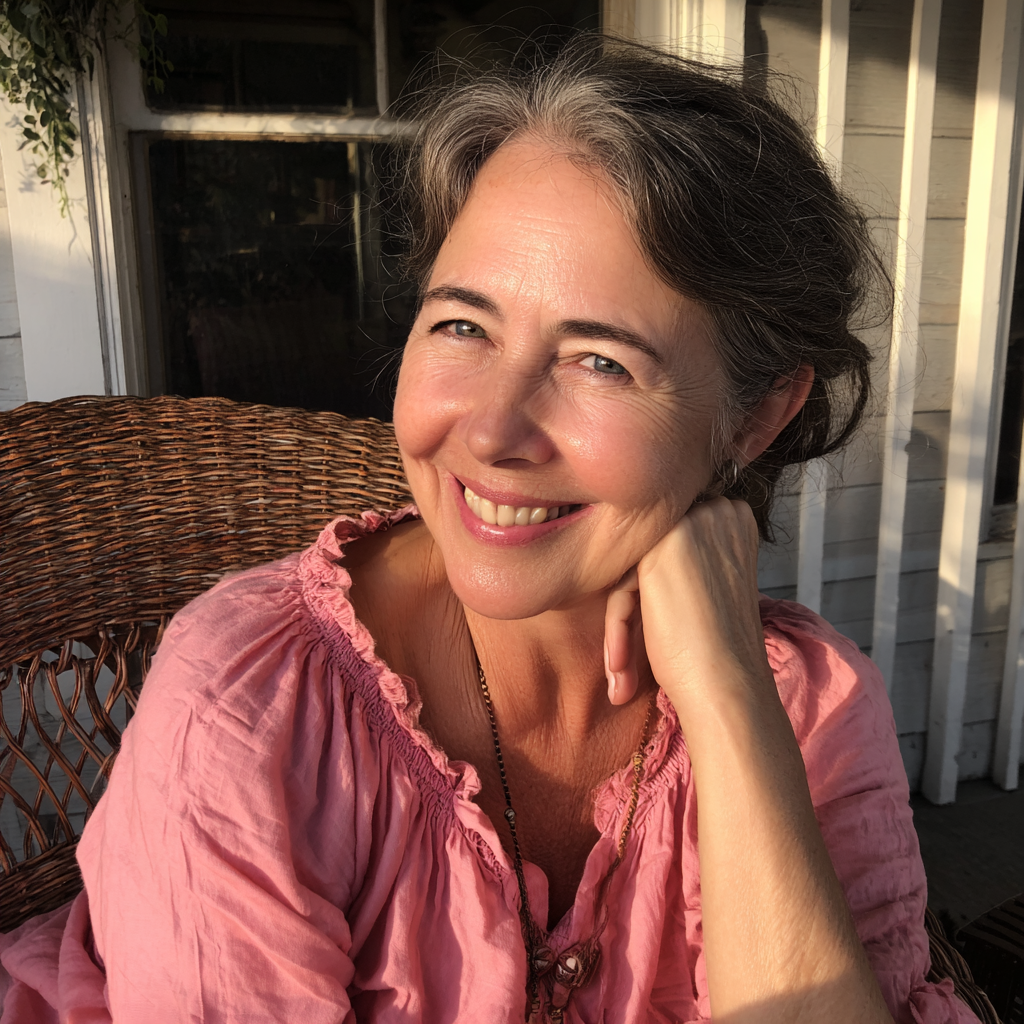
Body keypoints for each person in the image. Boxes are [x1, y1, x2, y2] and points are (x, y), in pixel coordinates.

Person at [0, 36, 982, 1024]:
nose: (490, 430)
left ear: (757, 416)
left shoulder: (805, 709)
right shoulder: (254, 711)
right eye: (462, 325)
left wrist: (729, 706)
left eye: (600, 361)